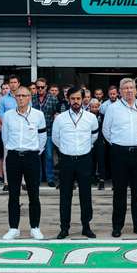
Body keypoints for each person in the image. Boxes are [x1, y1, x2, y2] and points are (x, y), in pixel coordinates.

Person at [102, 78, 137, 238]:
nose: (129, 90)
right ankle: (117, 226)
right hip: (119, 154)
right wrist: (119, 144)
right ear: (120, 91)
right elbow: (106, 130)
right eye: (125, 88)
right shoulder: (113, 108)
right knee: (120, 192)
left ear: (136, 90)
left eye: (132, 88)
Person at [52, 87, 99, 239]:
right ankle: (64, 228)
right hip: (66, 160)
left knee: (86, 195)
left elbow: (94, 137)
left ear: (83, 99)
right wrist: (67, 149)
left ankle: (86, 226)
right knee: (65, 195)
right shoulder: (60, 118)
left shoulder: (90, 118)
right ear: (68, 99)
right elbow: (55, 139)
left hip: (84, 159)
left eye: (78, 98)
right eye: (73, 98)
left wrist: (84, 148)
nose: (76, 101)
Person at [1, 86, 47, 240]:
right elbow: (5, 137)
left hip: (31, 157)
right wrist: (14, 150)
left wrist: (34, 152)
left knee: (34, 194)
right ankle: (13, 228)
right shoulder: (8, 116)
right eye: (18, 95)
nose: (20, 98)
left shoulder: (38, 115)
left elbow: (42, 138)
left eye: (24, 95)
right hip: (13, 157)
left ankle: (35, 227)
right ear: (15, 97)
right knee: (13, 195)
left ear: (29, 97)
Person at [32, 77, 58, 187]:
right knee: (36, 156)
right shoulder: (32, 98)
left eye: (42, 87)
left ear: (46, 87)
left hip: (48, 131)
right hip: (35, 132)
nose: (40, 89)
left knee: (48, 156)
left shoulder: (53, 99)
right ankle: (37, 178)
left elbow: (56, 114)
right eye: (38, 87)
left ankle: (50, 179)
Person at [0, 75, 20, 191]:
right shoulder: (3, 99)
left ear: (18, 84)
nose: (13, 84)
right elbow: (0, 114)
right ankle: (6, 182)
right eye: (11, 82)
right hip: (8, 131)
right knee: (7, 157)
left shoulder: (23, 96)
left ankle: (23, 181)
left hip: (21, 132)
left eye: (15, 82)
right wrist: (8, 124)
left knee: (22, 156)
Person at [88, 99, 106, 190]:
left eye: (96, 106)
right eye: (93, 107)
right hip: (90, 140)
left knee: (101, 160)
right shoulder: (86, 116)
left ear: (99, 107)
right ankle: (92, 178)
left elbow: (105, 128)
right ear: (89, 107)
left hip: (100, 140)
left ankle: (102, 180)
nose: (94, 108)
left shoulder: (102, 116)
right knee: (91, 160)